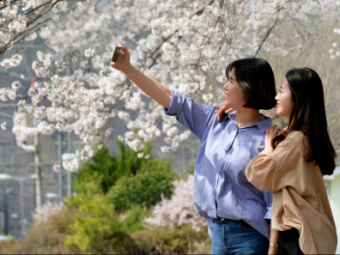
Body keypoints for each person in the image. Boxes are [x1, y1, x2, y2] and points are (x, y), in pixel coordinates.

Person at [110, 45, 277, 255]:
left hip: (251, 237)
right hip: (217, 234)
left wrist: (274, 247)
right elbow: (172, 99)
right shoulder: (212, 121)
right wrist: (128, 68)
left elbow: (273, 200)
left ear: (249, 87)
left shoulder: (269, 138)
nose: (225, 87)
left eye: (231, 81)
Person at [245, 68, 338, 255]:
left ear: (298, 96)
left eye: (281, 91)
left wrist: (268, 149)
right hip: (305, 233)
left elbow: (256, 174)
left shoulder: (296, 141)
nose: (276, 97)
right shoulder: (301, 137)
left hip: (301, 236)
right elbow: (282, 194)